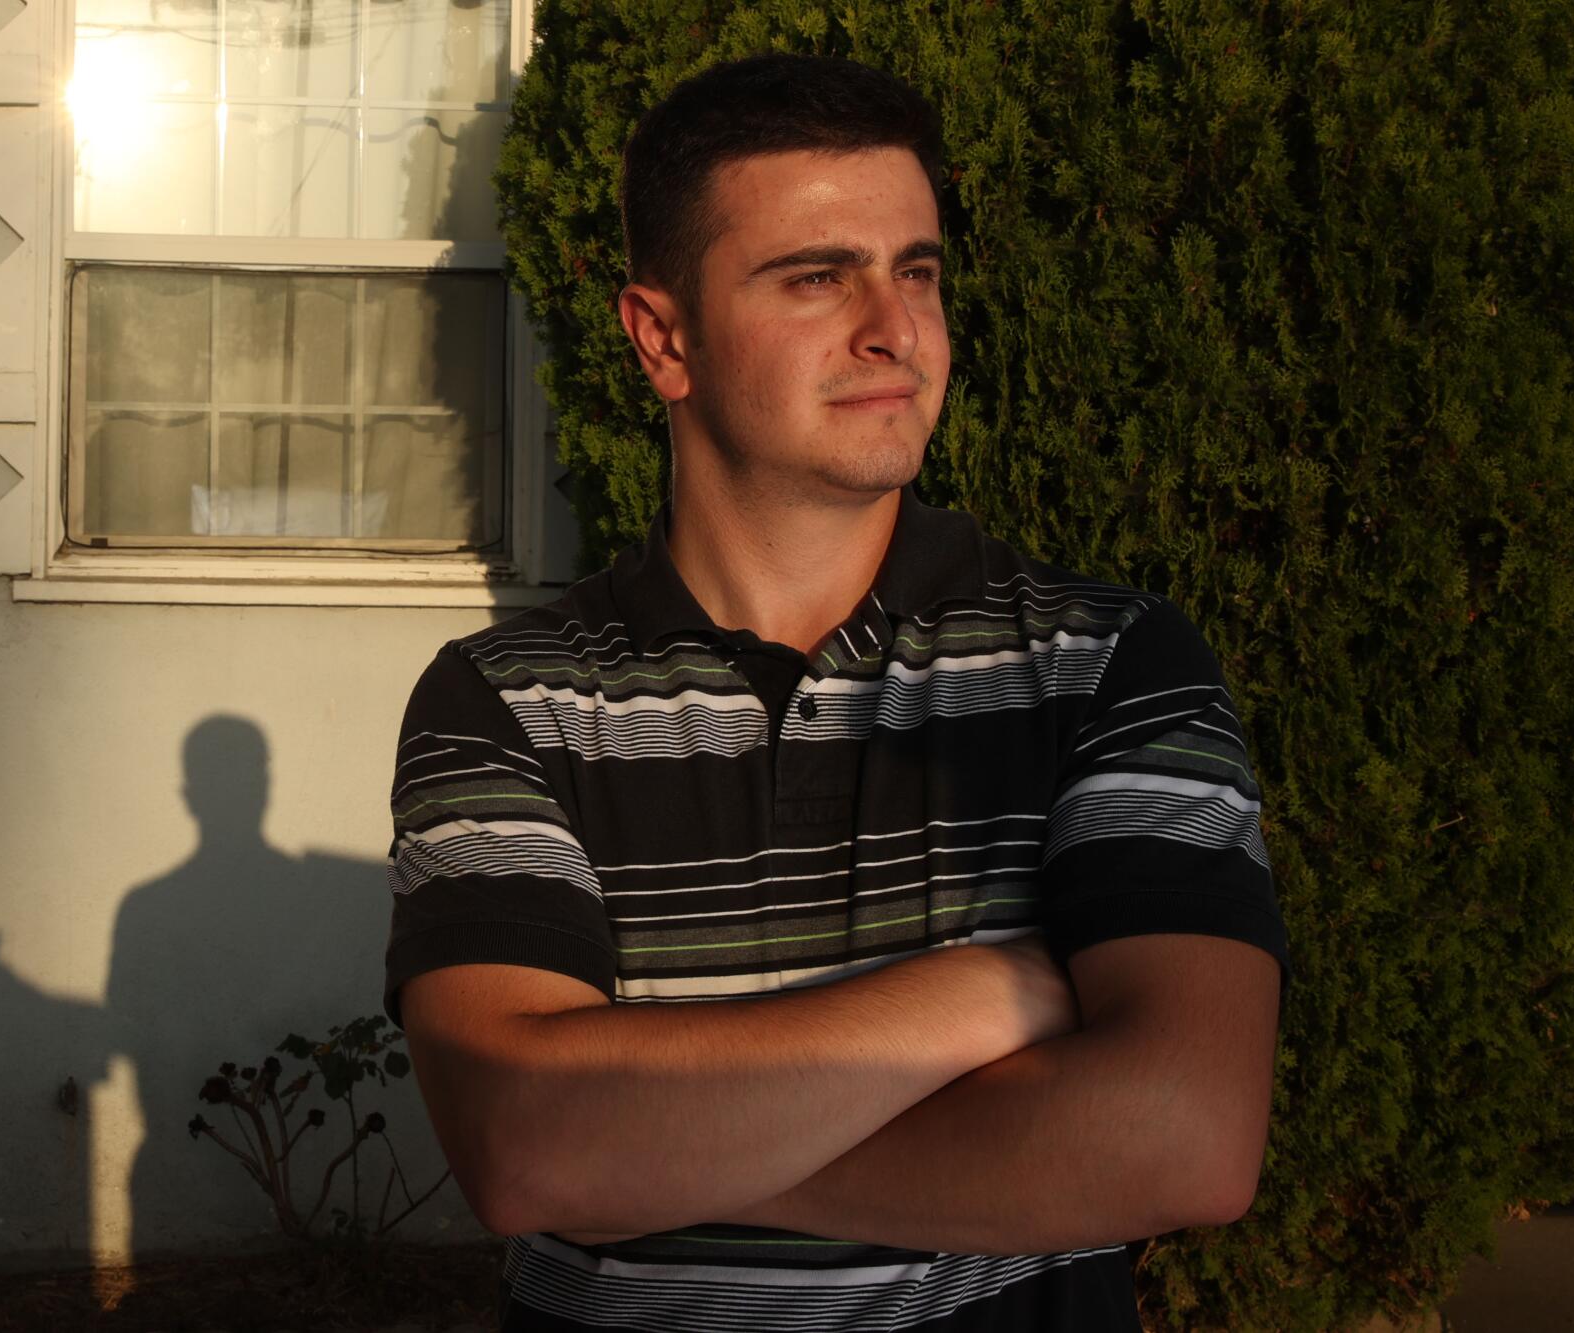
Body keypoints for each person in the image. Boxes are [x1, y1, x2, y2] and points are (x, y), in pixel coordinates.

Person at [382, 53, 1290, 1332]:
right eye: (817, 276)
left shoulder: (1108, 665)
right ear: (661, 336)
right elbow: (531, 1147)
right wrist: (990, 993)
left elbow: (1181, 1140)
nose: (893, 326)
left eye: (914, 269)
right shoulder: (508, 699)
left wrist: (651, 1159)